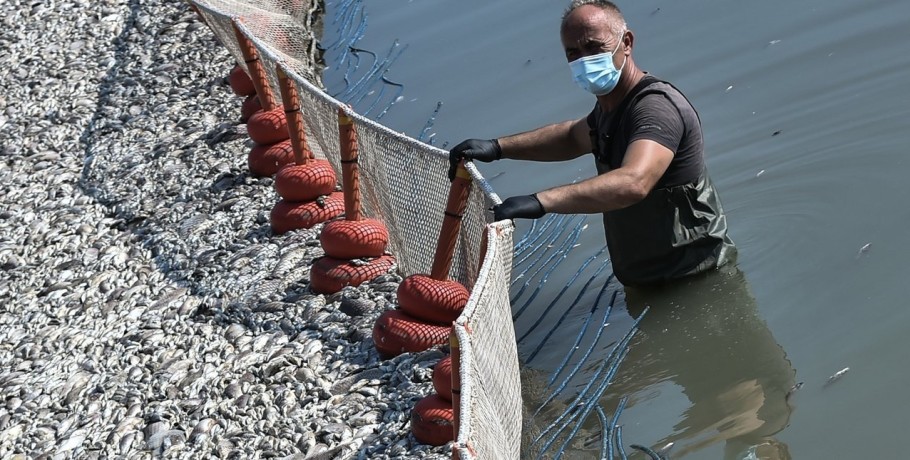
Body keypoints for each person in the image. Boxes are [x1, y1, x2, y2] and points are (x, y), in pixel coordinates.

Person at [448, 0, 735, 286]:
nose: (584, 59)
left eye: (594, 47)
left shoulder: (655, 109)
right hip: (648, 279)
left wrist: (540, 202)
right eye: (573, 52)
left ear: (627, 42)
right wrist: (497, 148)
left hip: (700, 278)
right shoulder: (609, 108)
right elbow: (571, 137)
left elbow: (634, 182)